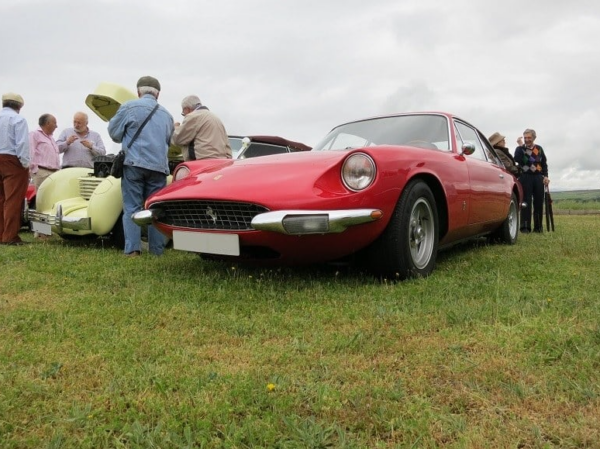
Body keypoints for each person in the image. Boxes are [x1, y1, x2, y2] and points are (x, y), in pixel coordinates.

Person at [108, 76, 174, 257]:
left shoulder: (129, 107)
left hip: (134, 164)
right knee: (155, 209)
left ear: (138, 92)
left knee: (132, 207)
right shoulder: (167, 115)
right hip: (159, 167)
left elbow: (114, 133)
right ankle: (157, 251)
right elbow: (170, 141)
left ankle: (132, 250)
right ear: (158, 94)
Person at [0, 93, 30, 245]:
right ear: (19, 107)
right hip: (12, 160)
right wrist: (25, 164)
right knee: (13, 200)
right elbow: (22, 144)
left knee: (1, 199)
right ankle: (10, 236)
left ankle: (1, 234)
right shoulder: (18, 119)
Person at [171, 95, 232, 161]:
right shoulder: (216, 119)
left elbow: (178, 139)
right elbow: (227, 146)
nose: (184, 115)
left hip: (203, 162)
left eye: (183, 113)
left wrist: (175, 128)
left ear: (187, 109)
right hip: (221, 163)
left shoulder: (193, 116)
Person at [514, 128, 549, 233]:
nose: (527, 139)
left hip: (538, 177)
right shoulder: (519, 149)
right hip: (525, 177)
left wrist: (546, 176)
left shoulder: (539, 148)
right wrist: (521, 147)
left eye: (529, 137)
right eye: (525, 138)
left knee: (538, 202)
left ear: (534, 137)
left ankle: (538, 228)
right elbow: (518, 159)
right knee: (526, 202)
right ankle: (525, 227)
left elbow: (544, 164)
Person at [29, 114, 60, 188]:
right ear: (48, 123)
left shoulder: (51, 138)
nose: (56, 126)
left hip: (54, 173)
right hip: (42, 172)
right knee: (42, 198)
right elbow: (30, 152)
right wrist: (33, 170)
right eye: (55, 123)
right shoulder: (34, 134)